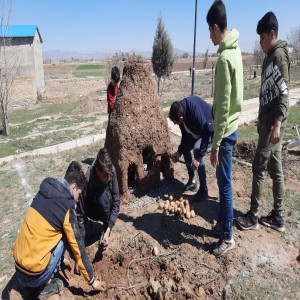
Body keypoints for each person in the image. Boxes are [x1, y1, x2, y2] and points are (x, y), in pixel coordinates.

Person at [13, 161, 103, 299]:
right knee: (66, 235)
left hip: (18, 269)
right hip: (34, 276)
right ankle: (47, 284)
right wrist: (92, 281)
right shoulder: (66, 205)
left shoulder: (44, 190)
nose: (78, 200)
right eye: (79, 194)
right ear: (73, 187)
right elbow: (78, 246)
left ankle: (31, 286)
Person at [236, 12, 289, 233]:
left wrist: (277, 124)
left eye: (262, 38)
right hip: (266, 122)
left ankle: (253, 216)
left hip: (272, 124)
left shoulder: (278, 57)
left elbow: (284, 94)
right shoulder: (268, 56)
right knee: (275, 167)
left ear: (272, 34)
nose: (260, 43)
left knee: (258, 166)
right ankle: (277, 216)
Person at [206, 0, 243, 257]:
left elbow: (223, 106)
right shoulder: (236, 51)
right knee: (224, 183)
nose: (209, 35)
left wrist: (215, 145)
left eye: (210, 30)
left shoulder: (223, 60)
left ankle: (227, 237)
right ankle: (224, 223)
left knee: (225, 185)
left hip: (225, 132)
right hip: (233, 128)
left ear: (217, 28)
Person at [169, 95, 214, 201]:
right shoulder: (181, 112)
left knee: (198, 150)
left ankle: (204, 190)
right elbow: (185, 137)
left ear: (180, 118)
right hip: (198, 129)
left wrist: (198, 159)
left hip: (210, 128)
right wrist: (179, 152)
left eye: (175, 122)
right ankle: (192, 181)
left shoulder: (193, 109)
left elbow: (206, 131)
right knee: (185, 149)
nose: (175, 124)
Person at [77, 148, 120, 249]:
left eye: (109, 175)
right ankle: (89, 226)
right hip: (91, 209)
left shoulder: (111, 171)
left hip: (105, 208)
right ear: (97, 170)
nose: (108, 178)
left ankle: (105, 226)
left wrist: (108, 228)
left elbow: (116, 201)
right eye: (105, 176)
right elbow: (80, 208)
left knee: (103, 197)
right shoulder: (87, 177)